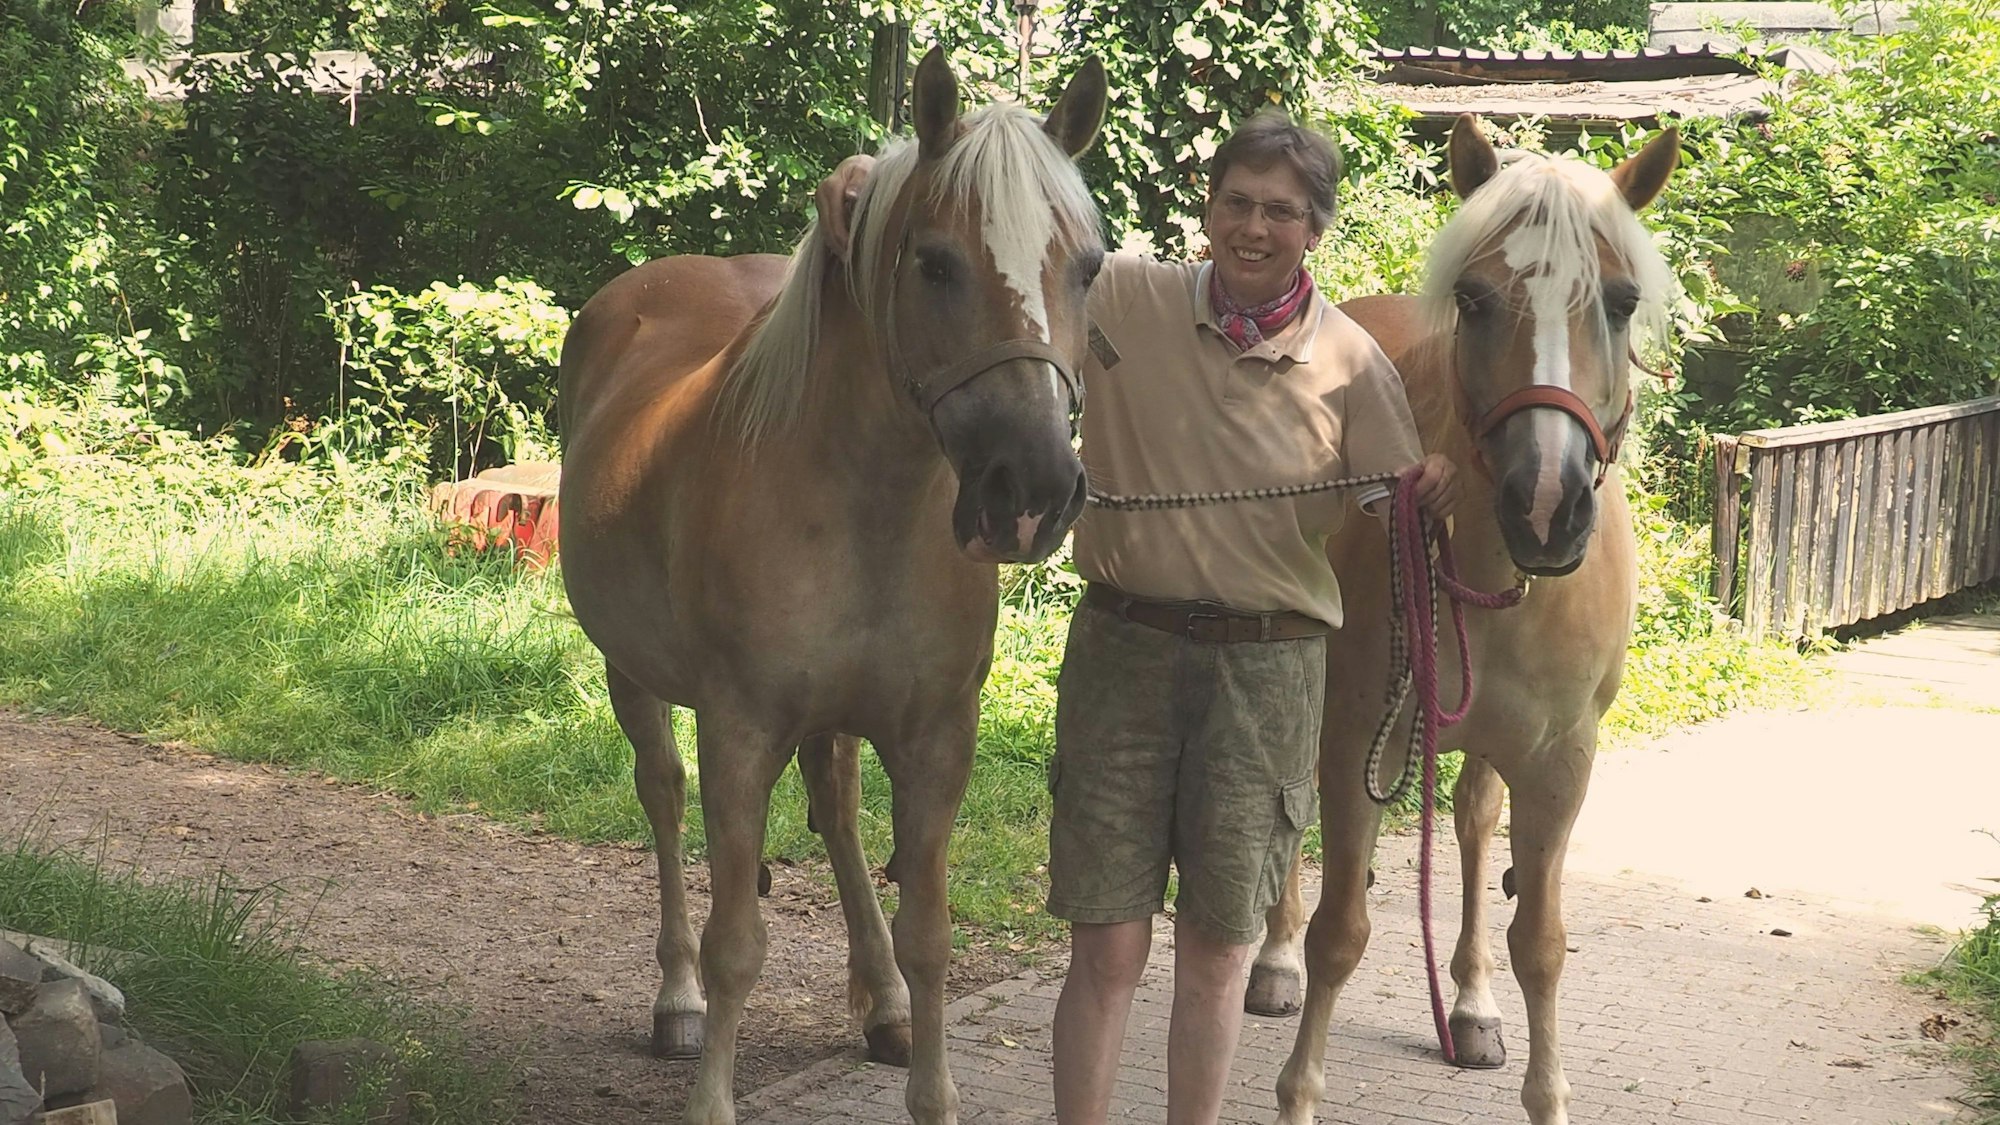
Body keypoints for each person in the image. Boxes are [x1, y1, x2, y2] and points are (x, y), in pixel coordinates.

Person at [818, 108, 1455, 1125]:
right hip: (1124, 651)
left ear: (1314, 229)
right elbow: (1000, 244)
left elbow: (1394, 513)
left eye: (1280, 211)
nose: (1254, 228)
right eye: (1236, 203)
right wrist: (871, 174)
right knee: (1105, 946)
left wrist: (1430, 497)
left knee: (1218, 952)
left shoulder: (1351, 364)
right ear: (1207, 210)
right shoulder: (1120, 293)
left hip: (1268, 672)